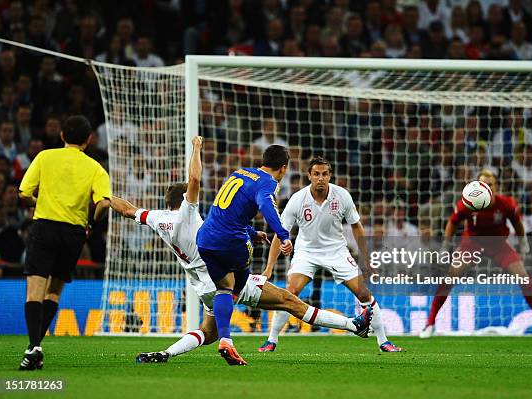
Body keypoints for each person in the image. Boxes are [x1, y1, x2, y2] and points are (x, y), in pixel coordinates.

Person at [110, 137, 372, 363]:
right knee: (288, 300)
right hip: (225, 264)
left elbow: (129, 209)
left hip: (204, 280)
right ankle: (353, 325)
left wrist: (105, 197)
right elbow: (206, 183)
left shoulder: (160, 219)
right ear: (283, 168)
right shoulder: (194, 210)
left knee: (207, 332)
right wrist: (282, 235)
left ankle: (167, 353)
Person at [259, 157, 402, 353]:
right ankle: (271, 340)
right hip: (306, 252)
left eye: (324, 174)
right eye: (316, 174)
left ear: (330, 176)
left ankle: (383, 341)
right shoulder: (297, 199)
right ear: (309, 176)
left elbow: (357, 227)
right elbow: (279, 233)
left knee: (363, 293)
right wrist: (268, 269)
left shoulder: (342, 195)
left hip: (336, 251)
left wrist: (367, 260)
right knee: (290, 291)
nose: (321, 178)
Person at [18, 115, 111, 370]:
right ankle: (34, 348)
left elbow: (24, 193)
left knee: (34, 291)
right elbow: (104, 202)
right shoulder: (95, 168)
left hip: (44, 227)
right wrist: (92, 221)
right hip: (73, 234)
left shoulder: (45, 157)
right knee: (54, 292)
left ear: (62, 136)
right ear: (89, 139)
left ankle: (34, 346)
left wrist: (39, 203)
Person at [419, 169, 532, 339]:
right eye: (482, 184)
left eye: (489, 185)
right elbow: (452, 222)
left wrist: (523, 243)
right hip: (472, 244)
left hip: (498, 245)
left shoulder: (506, 204)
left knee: (524, 279)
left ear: (496, 187)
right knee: (449, 279)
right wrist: (446, 245)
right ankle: (429, 323)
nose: (486, 188)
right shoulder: (466, 203)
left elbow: (517, 224)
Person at [196, 145, 294, 366]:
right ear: (283, 168)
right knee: (239, 283)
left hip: (205, 239)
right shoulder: (269, 182)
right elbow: (267, 206)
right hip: (230, 242)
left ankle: (226, 340)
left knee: (224, 287)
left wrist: (251, 231)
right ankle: (252, 313)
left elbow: (226, 211)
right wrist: (283, 235)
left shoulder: (239, 172)